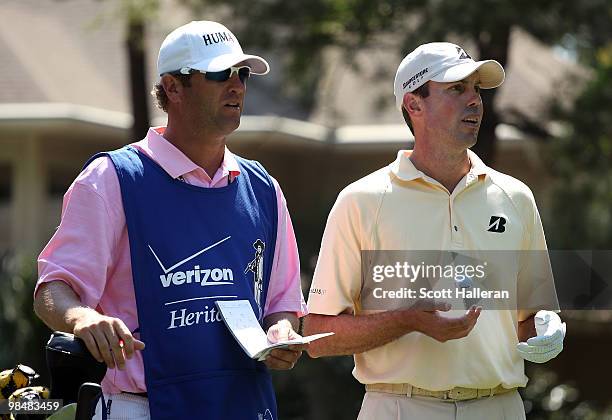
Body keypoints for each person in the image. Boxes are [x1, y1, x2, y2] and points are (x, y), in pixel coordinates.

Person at [34, 20, 307, 420]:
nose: (236, 86)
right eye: (219, 74)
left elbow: (281, 304)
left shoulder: (263, 187)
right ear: (173, 88)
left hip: (248, 406)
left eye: (241, 74)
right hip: (142, 407)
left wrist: (283, 331)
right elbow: (51, 291)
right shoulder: (112, 179)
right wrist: (84, 319)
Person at [304, 42, 565, 420]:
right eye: (457, 89)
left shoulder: (516, 197)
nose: (475, 100)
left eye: (477, 89)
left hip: (501, 407)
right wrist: (409, 319)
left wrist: (545, 329)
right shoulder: (361, 201)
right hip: (398, 407)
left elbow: (532, 317)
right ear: (414, 105)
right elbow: (318, 335)